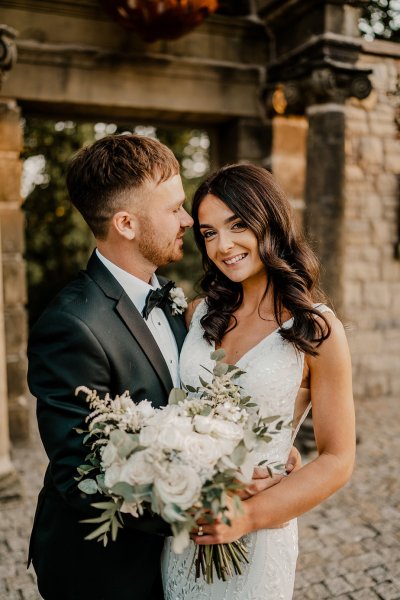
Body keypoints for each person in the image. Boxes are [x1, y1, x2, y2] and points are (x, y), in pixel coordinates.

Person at [27, 135, 299, 600]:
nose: (189, 221)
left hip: (179, 562)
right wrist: (216, 495)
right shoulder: (70, 325)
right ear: (127, 223)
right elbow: (82, 474)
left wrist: (254, 449)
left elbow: (195, 401)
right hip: (108, 571)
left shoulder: (178, 301)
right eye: (174, 208)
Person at [161, 163, 355, 599]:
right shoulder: (197, 315)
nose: (223, 245)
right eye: (209, 233)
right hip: (185, 527)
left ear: (269, 220)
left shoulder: (316, 331)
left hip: (259, 531)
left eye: (238, 225)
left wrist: (247, 517)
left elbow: (338, 459)